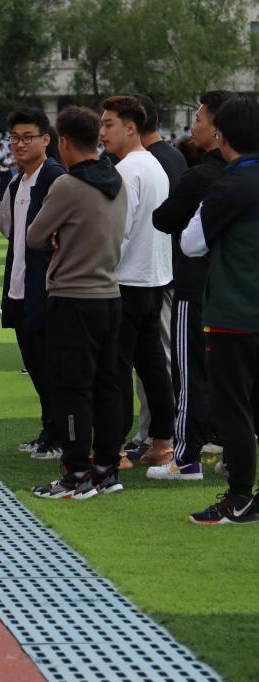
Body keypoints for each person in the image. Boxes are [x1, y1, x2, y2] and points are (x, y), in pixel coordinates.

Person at [26, 106, 127, 499]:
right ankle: (106, 468)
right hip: (110, 294)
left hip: (73, 296)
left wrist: (59, 234)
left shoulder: (68, 185)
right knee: (107, 385)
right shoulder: (117, 179)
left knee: (72, 388)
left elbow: (35, 236)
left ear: (63, 143)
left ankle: (76, 474)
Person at [179, 95, 259, 524]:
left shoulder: (231, 183)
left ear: (222, 137)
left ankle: (240, 497)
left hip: (235, 313)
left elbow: (191, 243)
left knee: (234, 411)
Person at [149, 90, 236, 481]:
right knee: (236, 377)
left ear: (218, 130)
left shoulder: (202, 176)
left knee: (190, 374)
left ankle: (186, 458)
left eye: (198, 119)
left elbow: (165, 219)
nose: (193, 126)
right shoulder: (244, 177)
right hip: (238, 289)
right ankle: (235, 454)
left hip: (197, 284)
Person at [100, 96, 175, 469]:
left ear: (131, 127)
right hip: (154, 277)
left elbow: (120, 232)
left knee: (115, 368)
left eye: (108, 124)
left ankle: (113, 448)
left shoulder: (127, 170)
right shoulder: (154, 165)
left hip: (127, 280)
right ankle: (162, 442)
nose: (102, 132)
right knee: (152, 365)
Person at [1, 108, 67, 459]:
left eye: (27, 137)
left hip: (45, 289)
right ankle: (48, 430)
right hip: (19, 285)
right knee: (37, 368)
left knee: (51, 368)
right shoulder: (18, 181)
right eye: (15, 137)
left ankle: (59, 436)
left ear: (46, 139)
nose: (20, 144)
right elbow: (9, 231)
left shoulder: (54, 177)